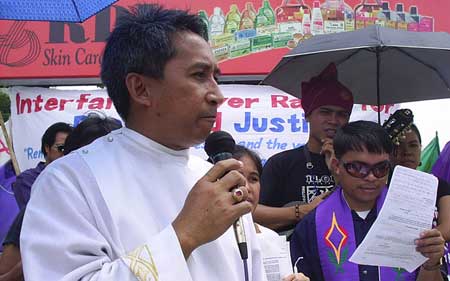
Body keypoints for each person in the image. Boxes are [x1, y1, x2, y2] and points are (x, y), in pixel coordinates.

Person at [21, 4, 266, 281]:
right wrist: (184, 236)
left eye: (215, 78)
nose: (217, 95)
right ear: (141, 88)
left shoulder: (217, 181)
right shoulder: (70, 182)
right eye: (199, 75)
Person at [290, 120, 446, 281]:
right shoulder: (311, 226)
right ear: (336, 165)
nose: (371, 177)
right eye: (359, 168)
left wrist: (431, 264)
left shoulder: (412, 218)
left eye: (380, 168)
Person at [254, 63, 354, 236]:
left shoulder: (355, 164)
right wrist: (302, 211)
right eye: (325, 112)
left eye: (342, 114)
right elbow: (253, 212)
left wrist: (339, 172)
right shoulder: (282, 163)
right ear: (307, 115)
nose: (333, 120)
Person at [232, 145, 309, 281]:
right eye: (237, 178)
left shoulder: (271, 239)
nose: (247, 188)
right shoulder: (204, 239)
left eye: (254, 179)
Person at [12, 122, 73, 209]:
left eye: (70, 149)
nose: (65, 154)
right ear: (47, 148)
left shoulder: (76, 178)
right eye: (61, 148)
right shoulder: (28, 180)